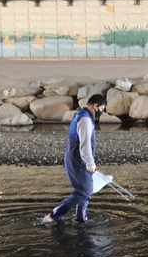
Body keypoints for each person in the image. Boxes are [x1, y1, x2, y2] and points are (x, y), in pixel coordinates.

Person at [43, 94, 107, 223]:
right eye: (102, 108)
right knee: (84, 191)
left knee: (85, 191)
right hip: (79, 161)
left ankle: (81, 220)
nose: (102, 112)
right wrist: (90, 163)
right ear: (95, 106)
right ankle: (53, 216)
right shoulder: (85, 120)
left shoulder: (80, 115)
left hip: (76, 159)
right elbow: (85, 145)